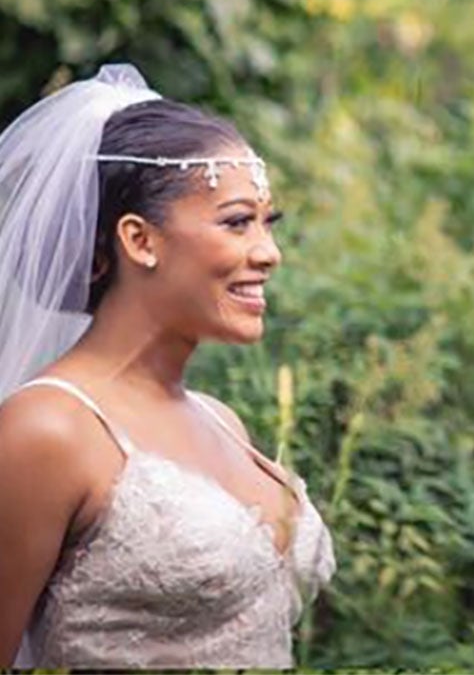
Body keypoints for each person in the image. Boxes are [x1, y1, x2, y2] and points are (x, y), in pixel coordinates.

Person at [0, 65, 335, 668]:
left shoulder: (221, 422)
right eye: (237, 222)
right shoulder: (47, 430)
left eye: (267, 224)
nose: (269, 252)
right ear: (140, 240)